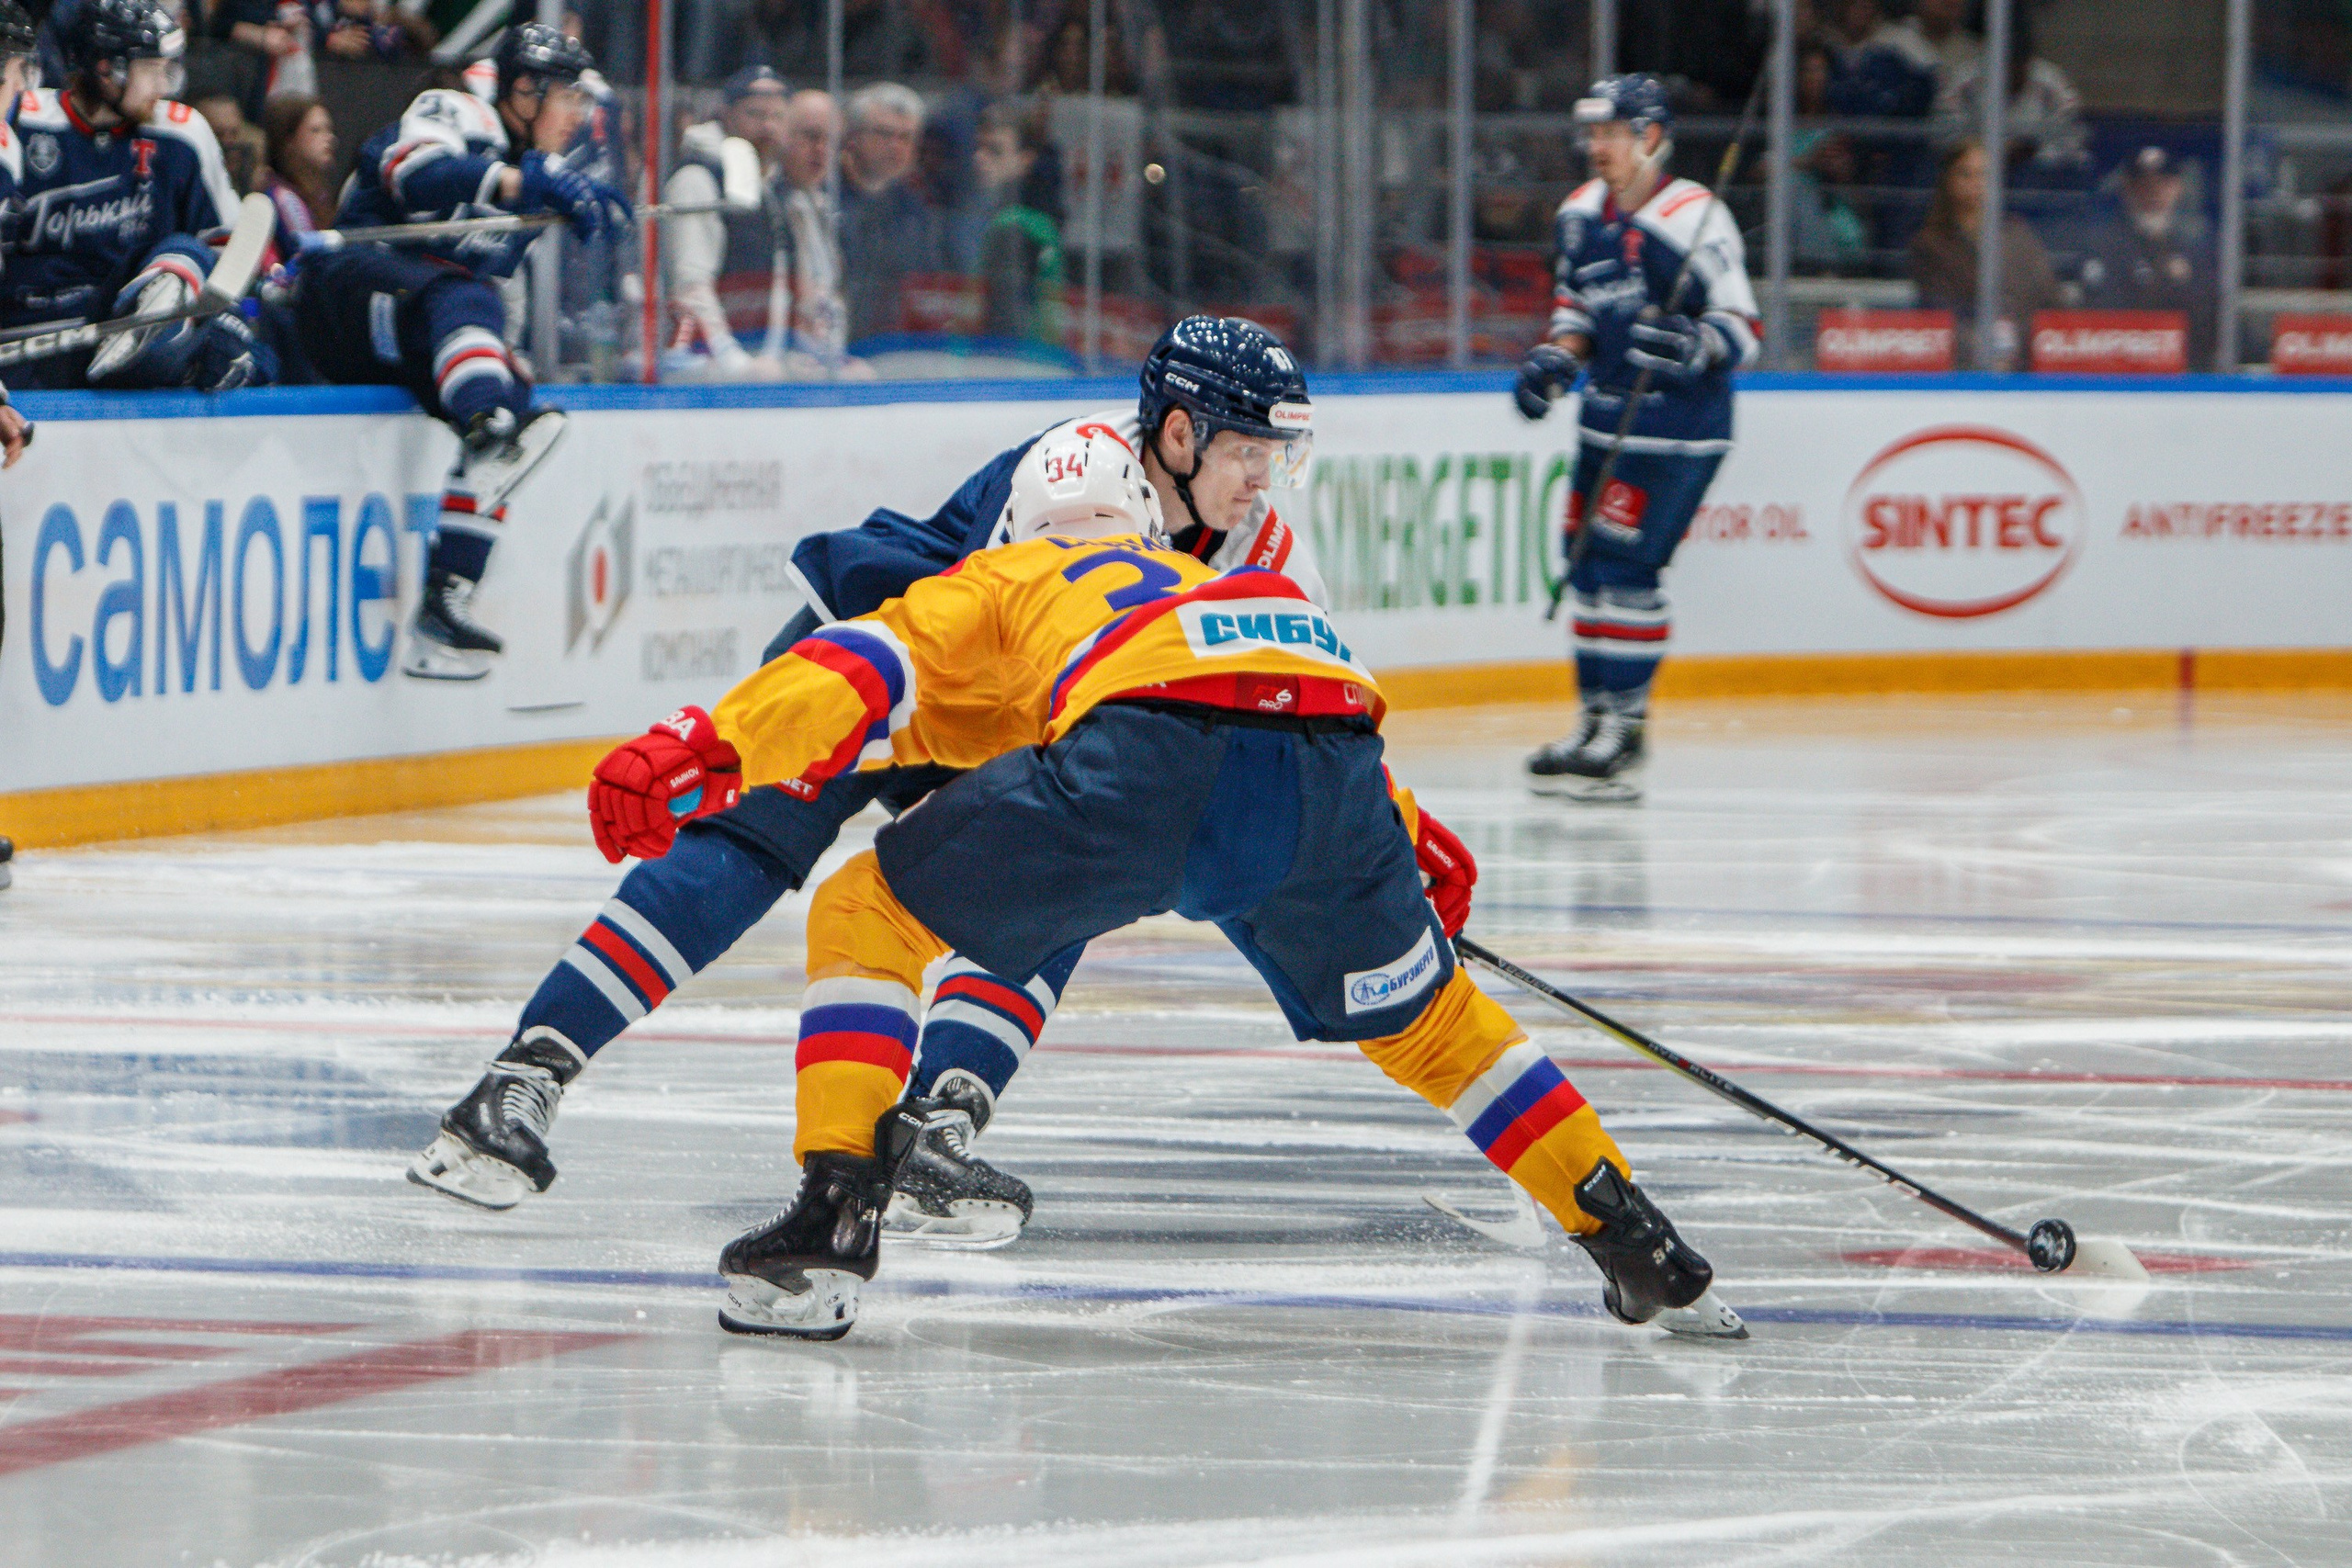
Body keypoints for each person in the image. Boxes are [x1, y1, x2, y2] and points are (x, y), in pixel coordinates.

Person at [579, 430, 1734, 1344]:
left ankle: (831, 1222)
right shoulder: (1215, 576)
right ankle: (1637, 1243)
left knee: (863, 910)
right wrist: (1407, 834)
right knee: (1436, 1029)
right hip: (1329, 753)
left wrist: (701, 744)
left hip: (1148, 754)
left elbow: (854, 667)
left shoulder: (1009, 572)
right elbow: (1301, 698)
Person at [407, 317, 1326, 1251]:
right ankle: (522, 1078)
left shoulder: (1264, 548)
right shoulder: (1084, 469)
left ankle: (938, 1126)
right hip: (880, 656)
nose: (1263, 477)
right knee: (745, 849)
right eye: (1248, 449)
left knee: (1066, 879)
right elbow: (1024, 647)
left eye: (1274, 453)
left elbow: (1296, 721)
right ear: (1178, 435)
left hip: (1003, 704)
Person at [288, 21, 628, 681]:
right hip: (346, 296)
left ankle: (445, 602)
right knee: (475, 337)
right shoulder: (460, 107)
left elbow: (495, 284)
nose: (579, 116)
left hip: (418, 322)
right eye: (569, 98)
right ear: (525, 92)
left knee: (511, 391)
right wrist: (514, 181)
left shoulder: (540, 165)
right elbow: (414, 178)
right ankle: (488, 428)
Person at [1511, 75, 1758, 804]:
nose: (1597, 147)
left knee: (1628, 570)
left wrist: (1692, 344)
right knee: (1585, 567)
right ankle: (1593, 723)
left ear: (1650, 138)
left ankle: (1626, 726)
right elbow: (1575, 311)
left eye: (1612, 133)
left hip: (1680, 430)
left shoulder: (1697, 217)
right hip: (1604, 421)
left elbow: (1742, 328)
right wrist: (1558, 360)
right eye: (1591, 133)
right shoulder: (1578, 216)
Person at [1, 0, 268, 393]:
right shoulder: (19, 123)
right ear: (107, 70)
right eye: (151, 71)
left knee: (185, 255)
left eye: (167, 71)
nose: (164, 87)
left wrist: (224, 323)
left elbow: (225, 248)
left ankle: (150, 334)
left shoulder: (181, 136)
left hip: (120, 337)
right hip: (25, 346)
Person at [664, 64, 793, 379]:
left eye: (777, 117)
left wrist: (771, 356)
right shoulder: (697, 178)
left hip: (750, 356)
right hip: (697, 365)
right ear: (726, 115)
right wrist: (734, 362)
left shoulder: (769, 185)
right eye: (755, 114)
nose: (768, 127)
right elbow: (691, 288)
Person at [1908, 138, 2061, 369]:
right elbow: (1939, 314)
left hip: (2025, 364)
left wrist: (2023, 341)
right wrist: (1983, 347)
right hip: (1964, 368)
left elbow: (2048, 298)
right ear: (1948, 180)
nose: (1975, 183)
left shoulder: (2019, 235)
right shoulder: (1931, 244)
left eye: (1983, 174)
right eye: (1965, 173)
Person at [2079, 146, 2215, 371]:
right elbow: (2101, 316)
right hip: (2119, 373)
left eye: (2163, 184)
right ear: (2127, 189)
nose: (2153, 192)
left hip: (2184, 376)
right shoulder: (2104, 246)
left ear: (2177, 188)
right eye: (2143, 184)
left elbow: (2209, 321)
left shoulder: (2194, 249)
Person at [838, 80, 942, 345]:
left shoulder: (915, 209)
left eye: (906, 137)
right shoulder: (823, 198)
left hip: (895, 353)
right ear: (852, 137)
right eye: (884, 134)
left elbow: (925, 290)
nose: (896, 146)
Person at [974, 100, 1063, 347]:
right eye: (979, 147)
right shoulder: (984, 211)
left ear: (1024, 161)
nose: (980, 158)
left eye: (995, 150)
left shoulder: (1017, 228)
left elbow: (1008, 317)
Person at [259, 92, 336, 254]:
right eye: (315, 130)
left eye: (329, 129)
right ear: (289, 141)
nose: (329, 138)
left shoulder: (318, 195)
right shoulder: (285, 198)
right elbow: (309, 258)